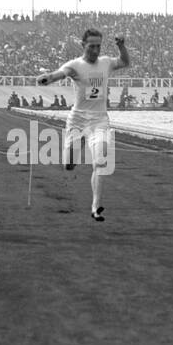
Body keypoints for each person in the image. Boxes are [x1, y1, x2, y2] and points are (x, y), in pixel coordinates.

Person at [37, 28, 131, 221]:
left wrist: (121, 46)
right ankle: (75, 147)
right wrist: (47, 78)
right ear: (83, 45)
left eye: (98, 46)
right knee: (69, 164)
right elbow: (60, 74)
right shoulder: (75, 65)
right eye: (91, 46)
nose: (95, 50)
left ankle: (95, 207)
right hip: (77, 120)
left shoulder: (106, 63)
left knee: (100, 161)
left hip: (99, 120)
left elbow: (125, 62)